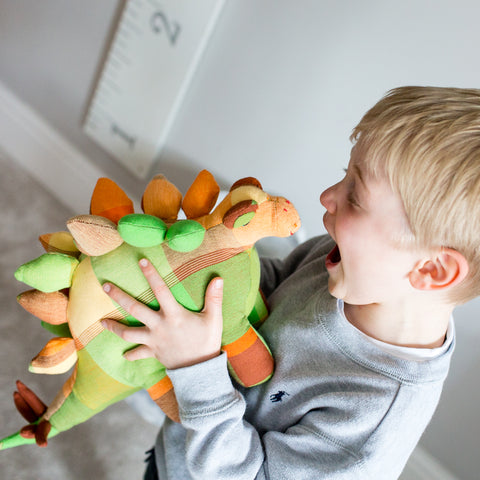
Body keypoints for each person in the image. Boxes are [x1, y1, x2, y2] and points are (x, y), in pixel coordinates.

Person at [101, 86, 480, 479]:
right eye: (343, 176)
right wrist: (204, 270)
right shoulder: (339, 261)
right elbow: (273, 286)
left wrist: (195, 366)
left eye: (356, 198)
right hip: (178, 452)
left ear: (432, 270)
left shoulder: (369, 423)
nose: (326, 196)